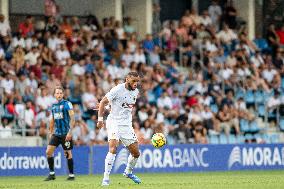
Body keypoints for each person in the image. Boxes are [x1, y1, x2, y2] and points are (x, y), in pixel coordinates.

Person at [97, 72, 141, 186]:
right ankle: (105, 178)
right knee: (113, 148)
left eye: (137, 81)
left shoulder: (136, 92)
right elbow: (102, 102)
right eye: (133, 81)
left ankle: (128, 172)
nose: (136, 84)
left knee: (136, 153)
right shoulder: (117, 89)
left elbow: (123, 105)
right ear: (127, 79)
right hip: (114, 121)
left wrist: (110, 105)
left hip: (126, 124)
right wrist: (100, 119)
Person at [44, 86, 75, 181]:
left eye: (60, 93)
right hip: (56, 134)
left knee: (67, 154)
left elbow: (73, 119)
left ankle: (71, 175)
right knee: (48, 152)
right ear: (54, 95)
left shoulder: (67, 104)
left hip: (66, 134)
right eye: (57, 93)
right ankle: (52, 174)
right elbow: (52, 120)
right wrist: (50, 132)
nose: (59, 95)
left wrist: (70, 132)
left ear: (63, 94)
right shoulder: (53, 106)